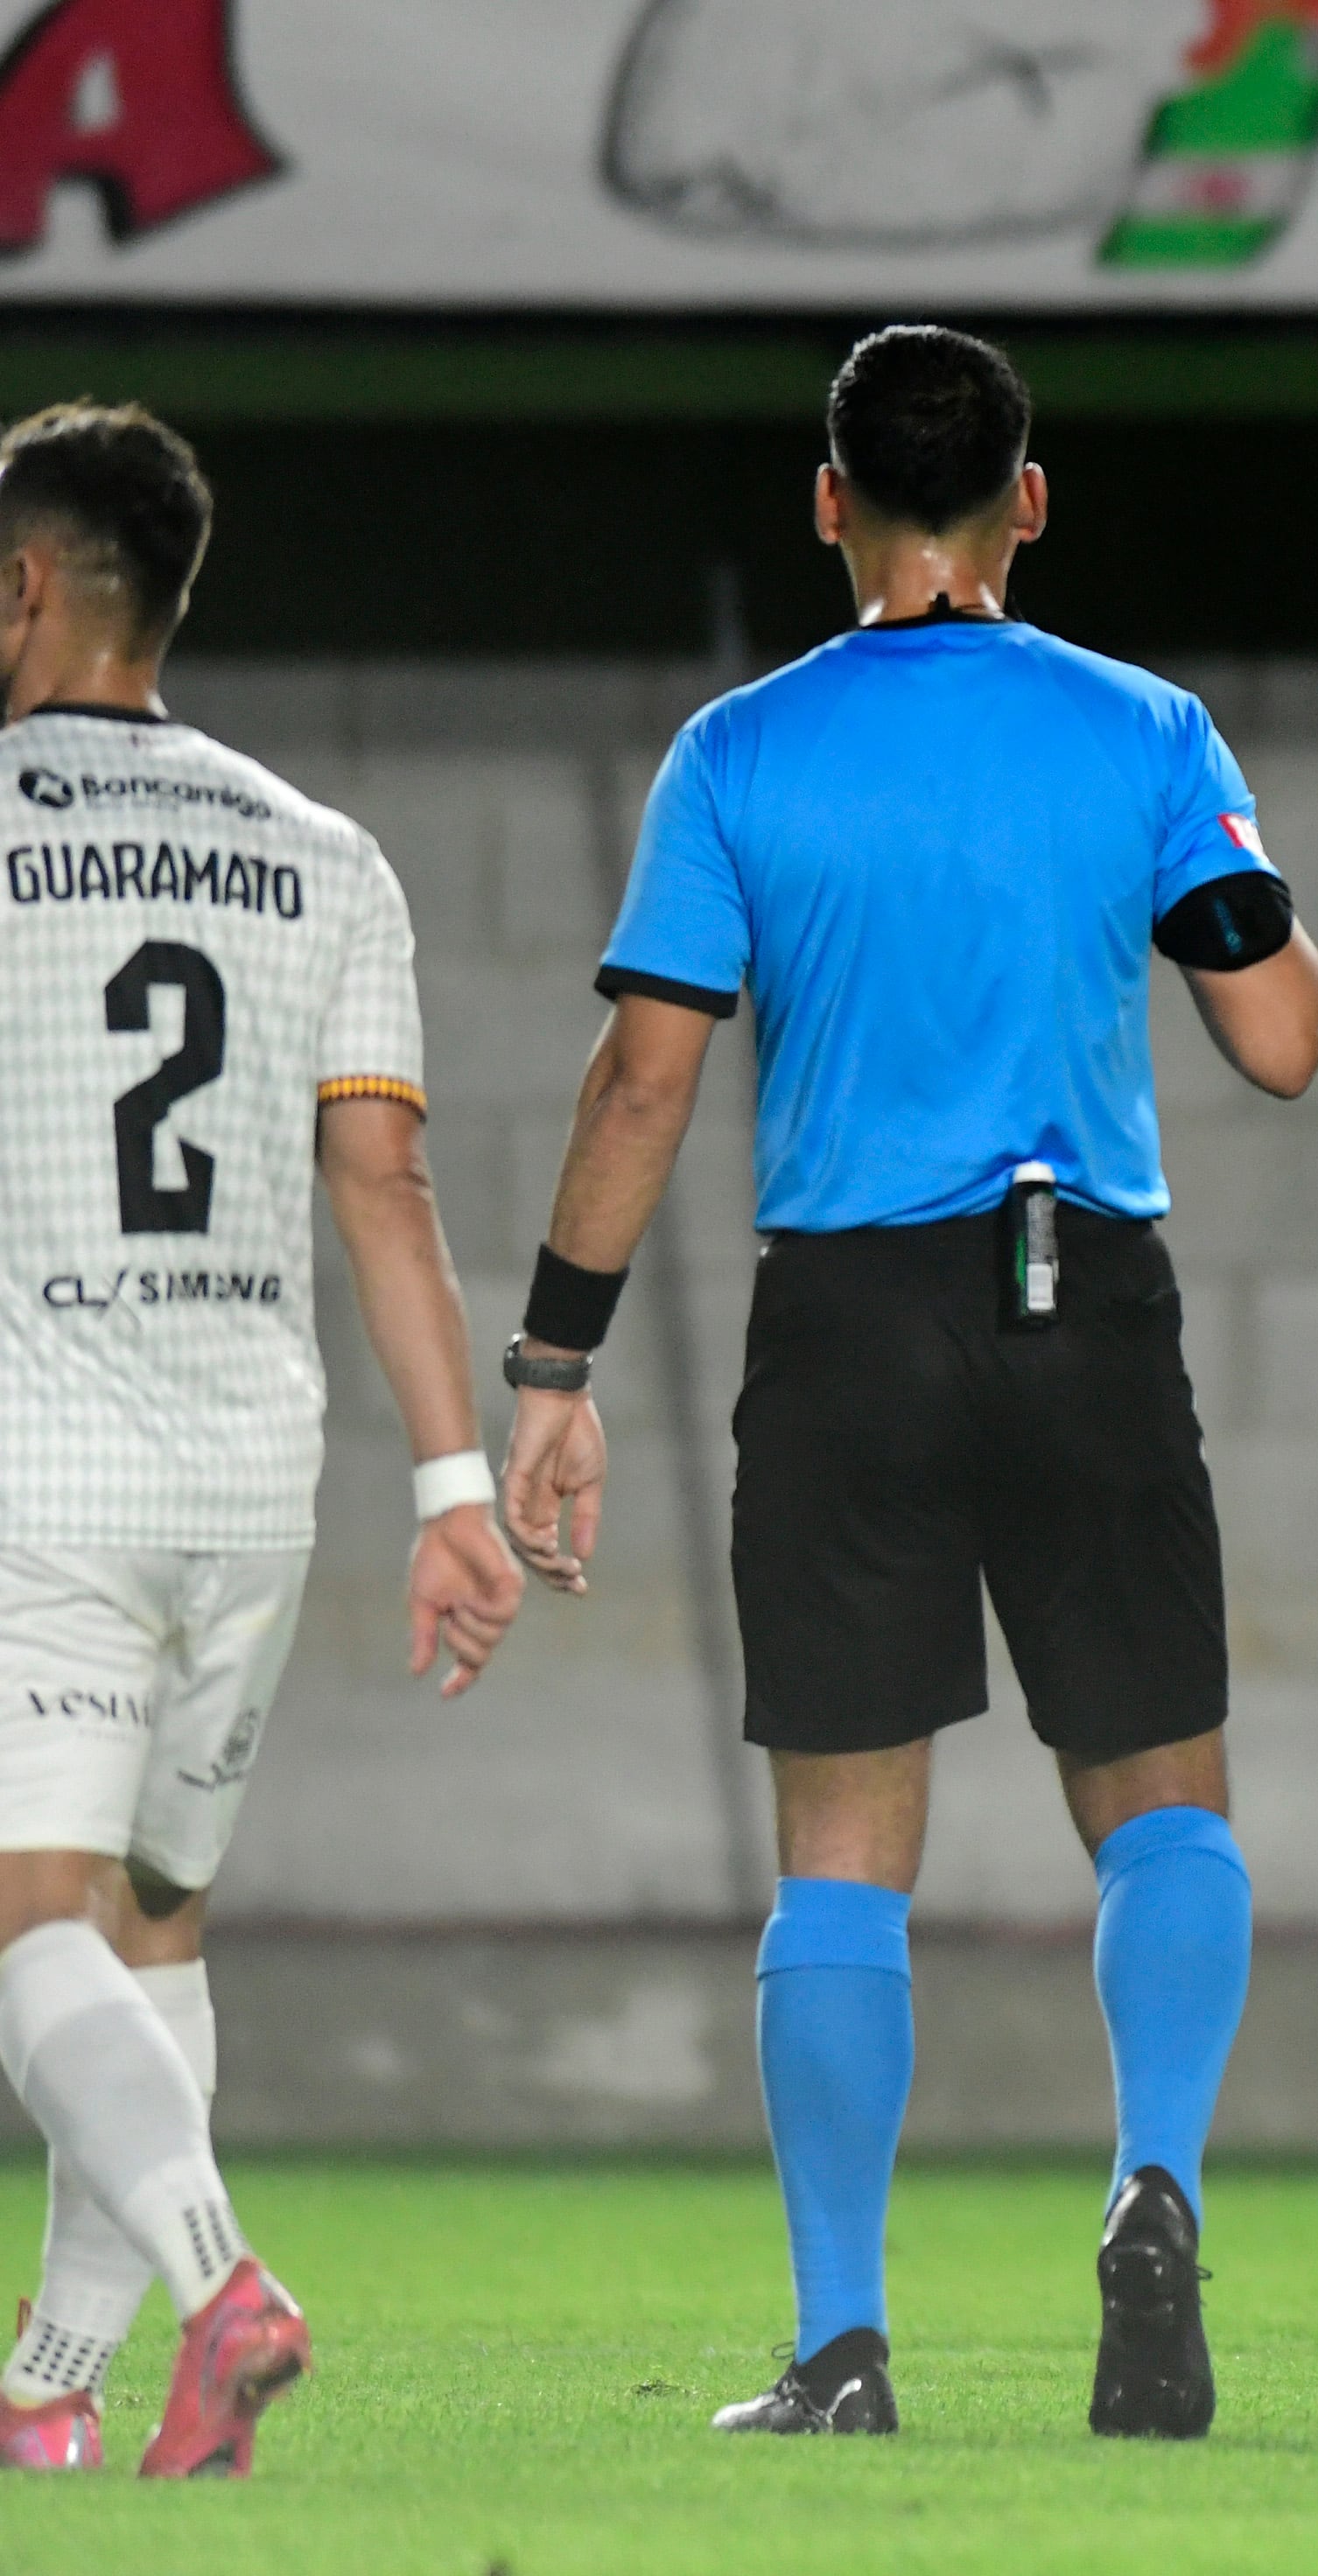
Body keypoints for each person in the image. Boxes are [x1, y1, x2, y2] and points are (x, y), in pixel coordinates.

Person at [493, 326, 1318, 2441]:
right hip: (1088, 1296)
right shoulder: (1143, 730)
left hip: (849, 1320)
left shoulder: (738, 755)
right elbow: (1283, 1036)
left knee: (846, 1845)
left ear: (827, 500)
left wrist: (552, 1361)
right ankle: (1156, 2182)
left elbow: (644, 1077)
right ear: (1029, 503)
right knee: (1161, 1799)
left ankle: (844, 2343)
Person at [0, 403, 523, 2477]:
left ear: (28, 587)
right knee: (154, 1928)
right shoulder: (325, 852)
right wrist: (454, 1487)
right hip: (257, 1476)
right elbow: (381, 1190)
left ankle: (224, 2278)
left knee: (33, 1927)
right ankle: (53, 2386)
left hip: (47, 1464)